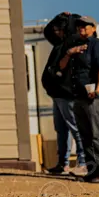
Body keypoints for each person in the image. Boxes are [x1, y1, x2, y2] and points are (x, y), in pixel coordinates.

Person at [58, 15, 99, 183]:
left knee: (97, 135)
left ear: (93, 28)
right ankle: (92, 171)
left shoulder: (98, 45)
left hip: (93, 98)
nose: (81, 28)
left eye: (85, 25)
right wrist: (70, 53)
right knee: (84, 136)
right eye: (79, 25)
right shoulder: (75, 46)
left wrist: (98, 90)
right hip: (77, 96)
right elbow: (61, 66)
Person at [41, 13, 86, 175]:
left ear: (65, 29)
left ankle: (83, 162)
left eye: (58, 29)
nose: (55, 32)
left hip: (67, 93)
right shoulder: (59, 43)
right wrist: (57, 16)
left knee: (76, 129)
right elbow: (47, 32)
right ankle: (63, 163)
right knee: (61, 129)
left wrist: (71, 18)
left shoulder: (74, 42)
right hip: (57, 94)